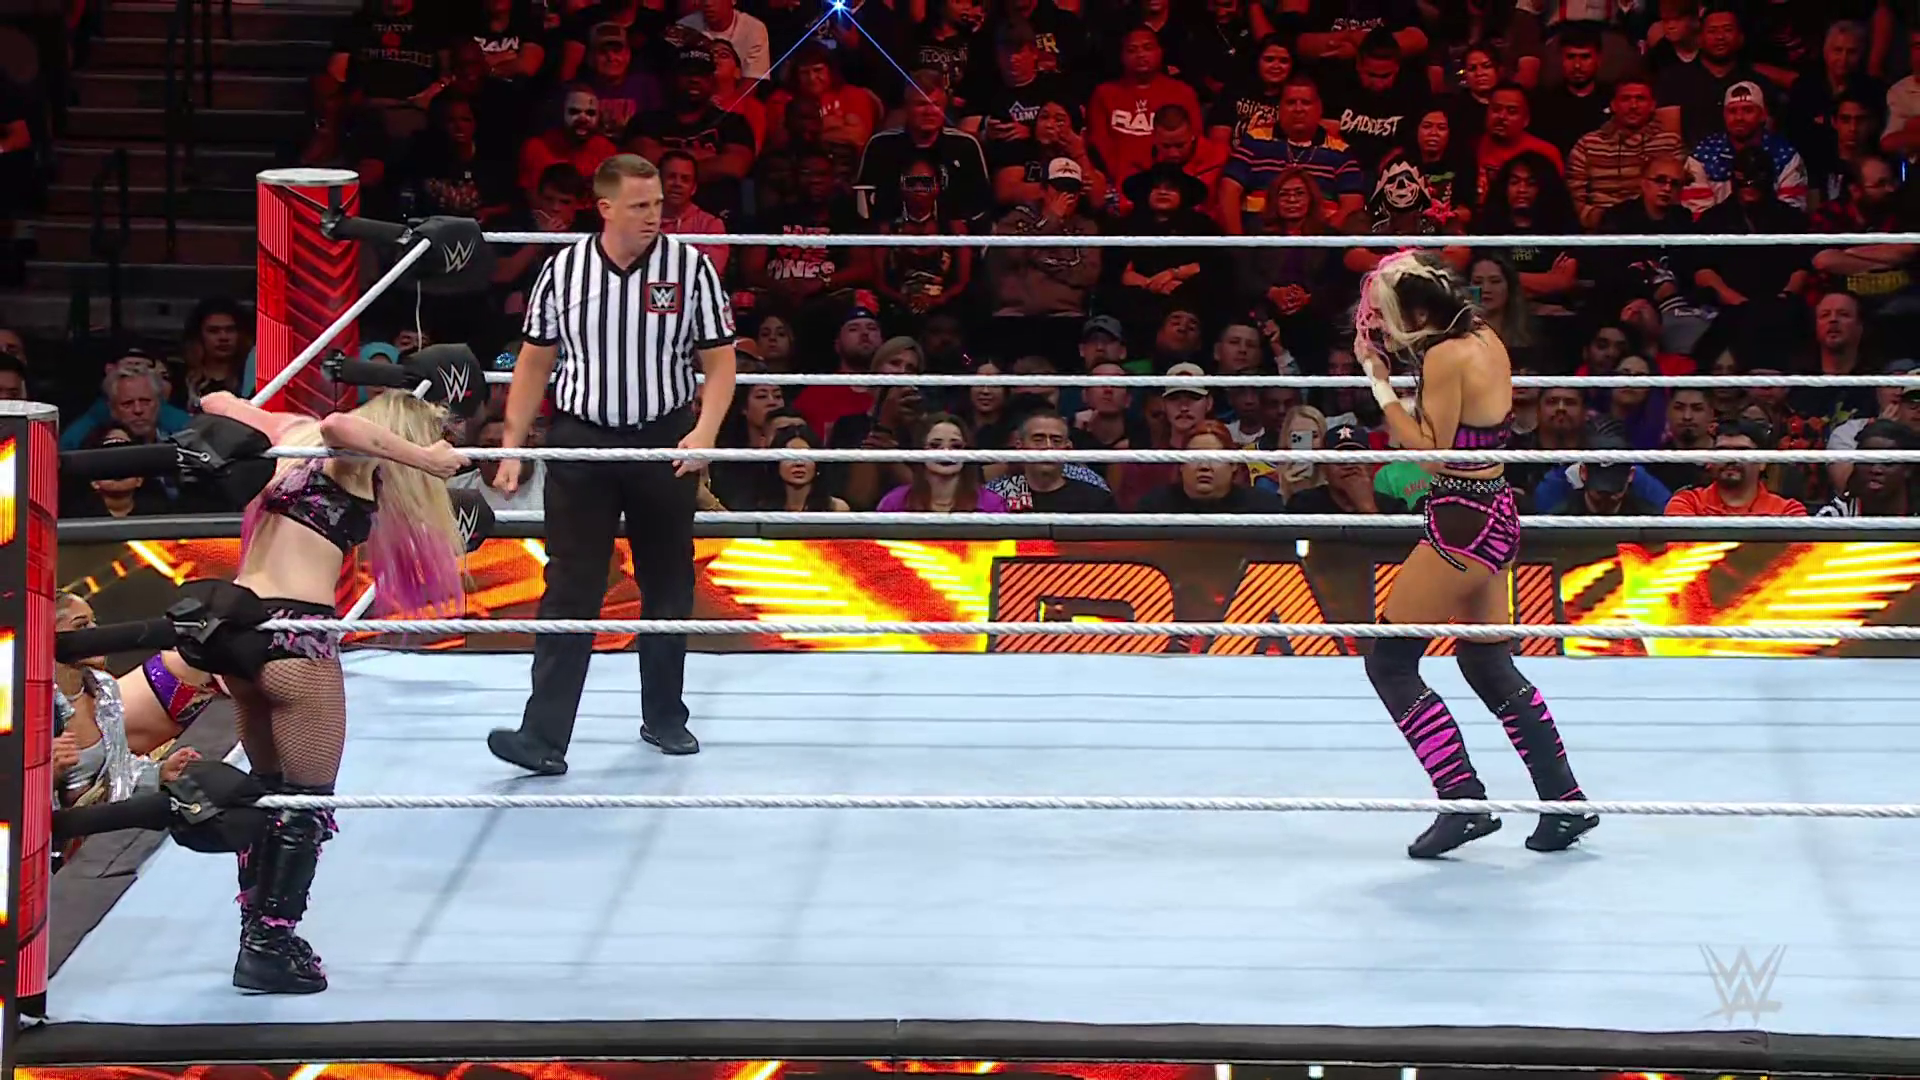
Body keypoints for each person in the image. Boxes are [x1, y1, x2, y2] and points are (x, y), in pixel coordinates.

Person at [197, 388, 469, 995]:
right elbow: (343, 425)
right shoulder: (352, 455)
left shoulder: (289, 436)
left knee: (269, 791)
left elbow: (216, 400)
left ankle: (256, 932)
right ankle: (269, 943)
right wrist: (425, 461)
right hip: (295, 634)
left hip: (237, 631)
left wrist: (255, 418)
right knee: (305, 801)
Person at [486, 154, 738, 777]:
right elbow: (534, 362)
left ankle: (665, 717)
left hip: (663, 441)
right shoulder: (563, 269)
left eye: (658, 205)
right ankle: (542, 738)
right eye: (639, 206)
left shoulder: (691, 269)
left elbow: (720, 361)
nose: (654, 216)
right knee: (570, 586)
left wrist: (704, 432)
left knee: (667, 582)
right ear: (605, 208)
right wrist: (514, 445)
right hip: (582, 442)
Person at [1352, 251, 1596, 860]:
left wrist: (1379, 384)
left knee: (1389, 664)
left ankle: (1462, 800)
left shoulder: (1444, 356)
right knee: (1487, 664)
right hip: (1496, 511)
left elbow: (1429, 455)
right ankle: (1564, 802)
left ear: (1418, 311)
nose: (1387, 330)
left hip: (1461, 521)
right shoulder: (1486, 336)